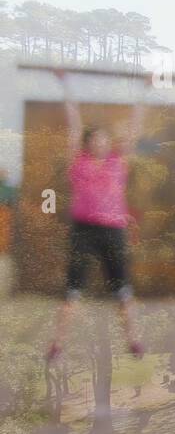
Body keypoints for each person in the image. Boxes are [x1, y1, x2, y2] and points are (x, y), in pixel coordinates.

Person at [46, 69, 144, 363]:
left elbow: (135, 129)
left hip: (114, 231)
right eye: (95, 140)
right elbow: (73, 125)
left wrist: (144, 90)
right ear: (88, 143)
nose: (101, 143)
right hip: (83, 232)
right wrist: (65, 85)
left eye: (105, 140)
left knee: (123, 292)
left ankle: (134, 341)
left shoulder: (118, 160)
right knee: (72, 291)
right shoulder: (79, 162)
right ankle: (57, 345)